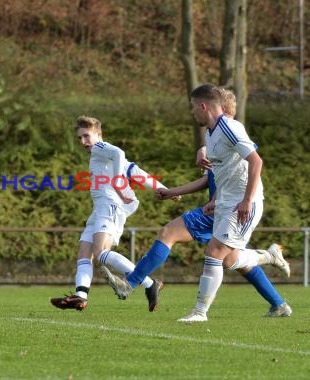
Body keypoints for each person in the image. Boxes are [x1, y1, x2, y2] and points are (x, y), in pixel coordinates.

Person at [100, 88, 292, 318]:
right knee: (230, 260)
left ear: (206, 107)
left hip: (235, 205)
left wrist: (246, 200)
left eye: (193, 106)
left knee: (201, 247)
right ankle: (275, 288)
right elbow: (214, 177)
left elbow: (255, 162)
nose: (191, 112)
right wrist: (177, 191)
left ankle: (192, 308)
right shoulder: (212, 137)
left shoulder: (229, 130)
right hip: (219, 205)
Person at [50, 116, 171, 312]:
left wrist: (117, 183)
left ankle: (149, 284)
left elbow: (119, 152)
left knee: (101, 253)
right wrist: (165, 190)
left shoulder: (102, 149)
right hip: (99, 210)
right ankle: (80, 296)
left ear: (99, 134)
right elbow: (136, 171)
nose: (83, 142)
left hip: (110, 206)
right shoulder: (108, 157)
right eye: (80, 138)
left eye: (87, 136)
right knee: (85, 252)